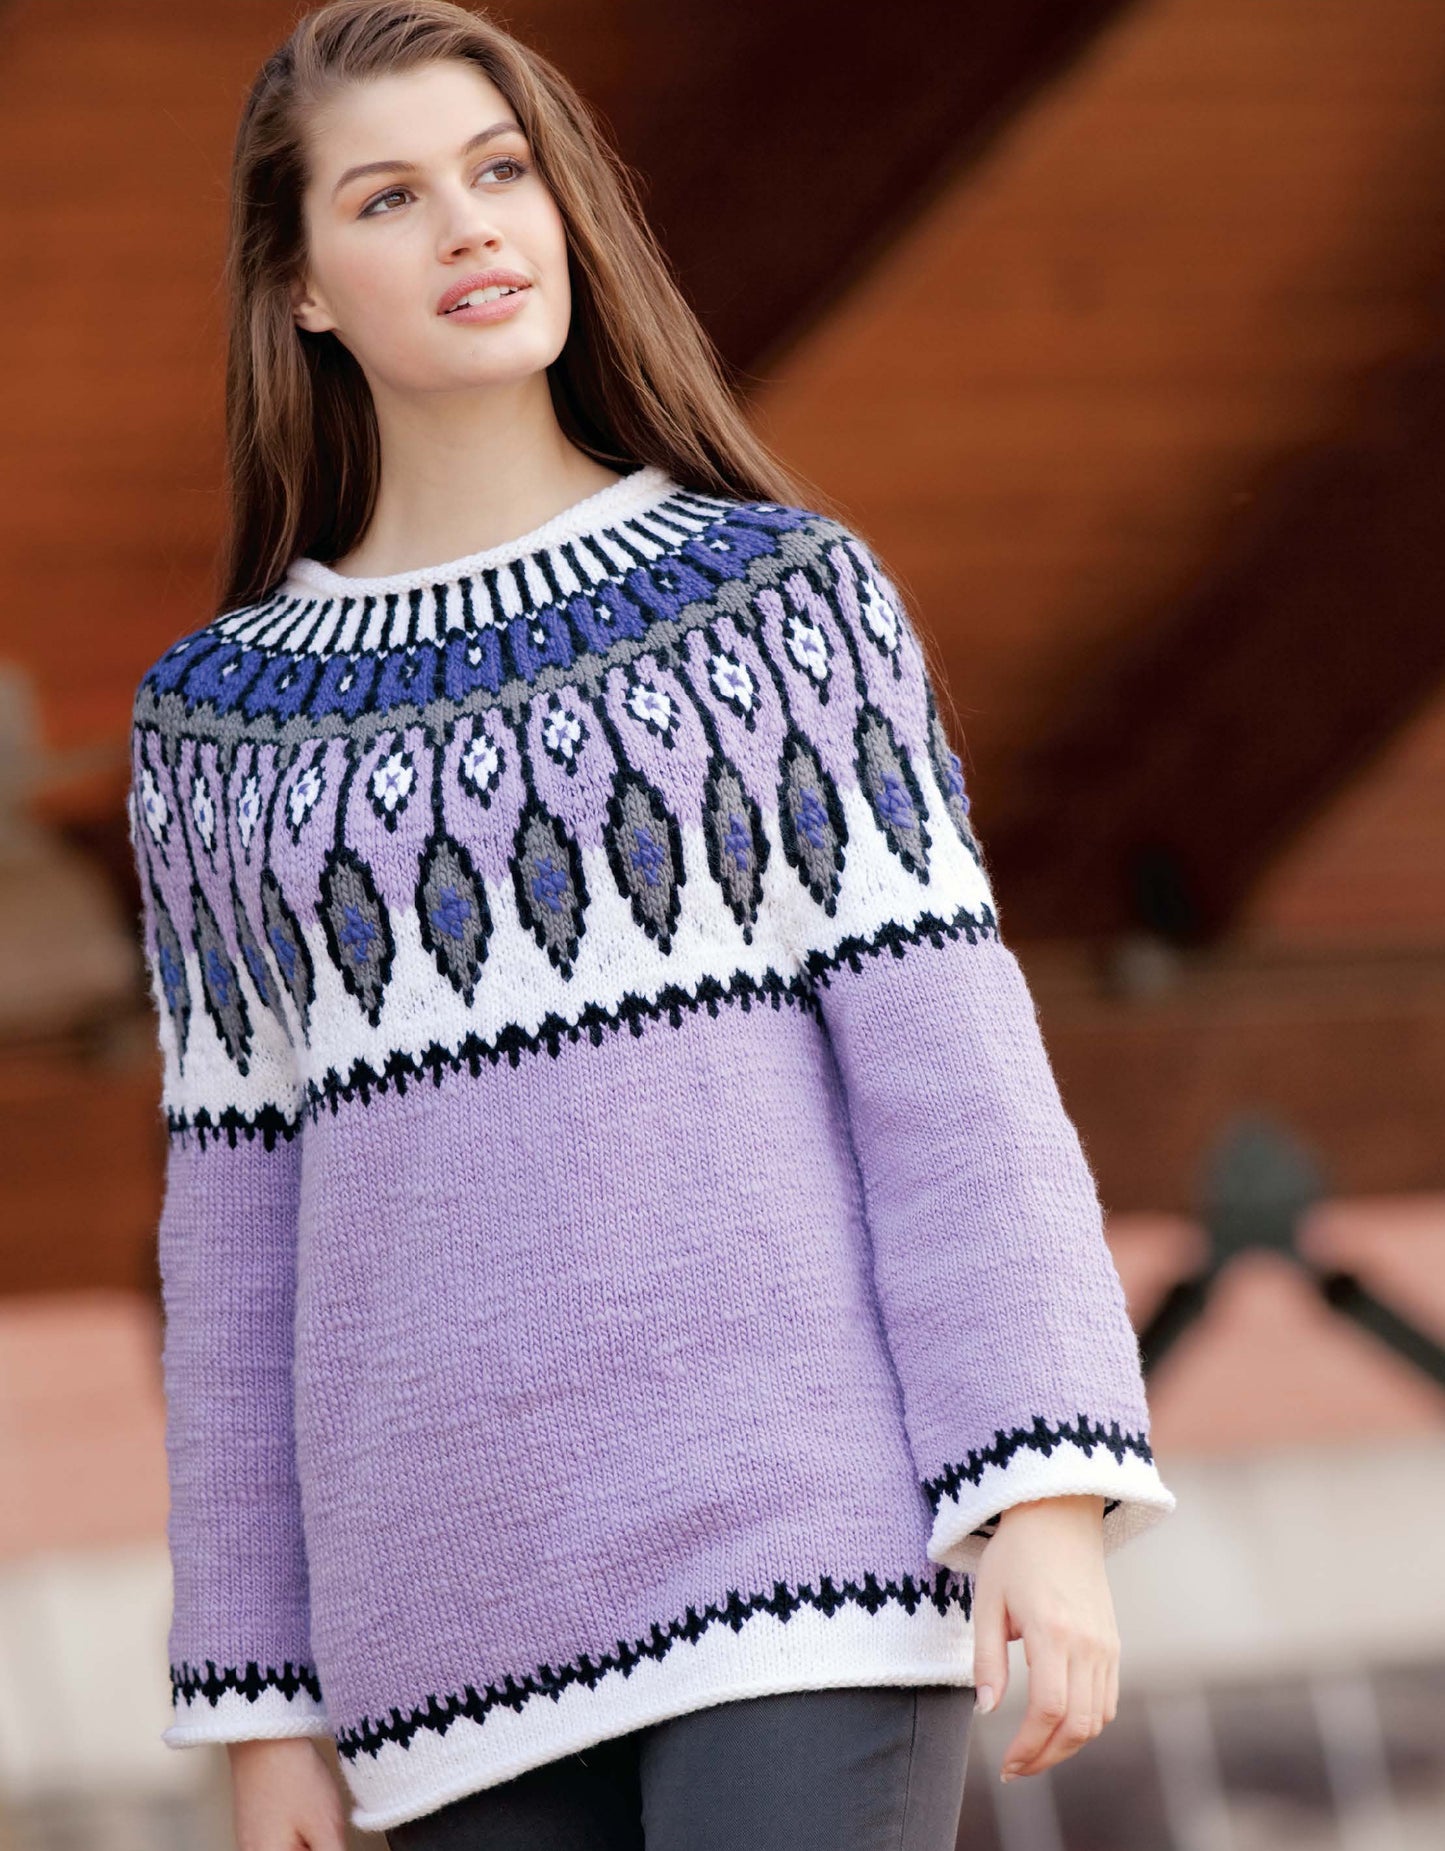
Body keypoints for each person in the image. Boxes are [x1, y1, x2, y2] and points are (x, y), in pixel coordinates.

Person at [125, 3, 1178, 1846]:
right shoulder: (219, 733)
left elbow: (952, 1087)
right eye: (388, 198)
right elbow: (236, 1242)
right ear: (298, 286)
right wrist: (261, 1700)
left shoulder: (780, 608)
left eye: (501, 171)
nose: (467, 226)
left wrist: (1044, 1501)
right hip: (434, 1640)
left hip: (806, 1556)